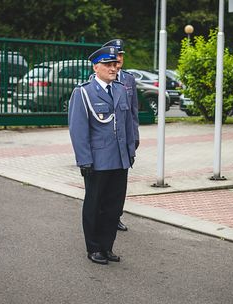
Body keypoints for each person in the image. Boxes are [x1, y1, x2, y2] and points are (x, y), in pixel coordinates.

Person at [68, 45, 136, 265]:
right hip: (97, 161)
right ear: (96, 67)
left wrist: (130, 151)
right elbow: (78, 130)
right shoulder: (83, 92)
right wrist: (84, 160)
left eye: (115, 64)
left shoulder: (120, 89)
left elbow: (127, 124)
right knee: (95, 205)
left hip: (119, 159)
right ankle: (94, 248)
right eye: (108, 64)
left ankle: (107, 247)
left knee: (114, 207)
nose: (113, 68)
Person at [102, 39, 139, 232]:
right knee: (105, 184)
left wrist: (135, 137)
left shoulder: (128, 79)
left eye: (122, 55)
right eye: (116, 55)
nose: (120, 59)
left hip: (125, 139)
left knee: (120, 185)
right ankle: (103, 215)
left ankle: (116, 215)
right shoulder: (97, 81)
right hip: (107, 143)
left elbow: (133, 112)